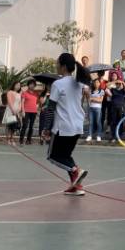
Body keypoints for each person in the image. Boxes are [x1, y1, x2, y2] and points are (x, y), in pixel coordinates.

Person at [46, 52, 89, 194]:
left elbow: (50, 108)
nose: (56, 65)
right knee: (66, 156)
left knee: (53, 156)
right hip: (77, 126)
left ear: (63, 66)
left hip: (63, 127)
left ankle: (76, 170)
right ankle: (76, 187)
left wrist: (46, 128)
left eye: (57, 63)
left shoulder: (58, 84)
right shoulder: (79, 83)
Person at [4, 80, 22, 145]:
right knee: (10, 125)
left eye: (19, 85)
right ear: (14, 85)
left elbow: (20, 103)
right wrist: (13, 110)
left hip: (16, 112)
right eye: (17, 85)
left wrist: (18, 110)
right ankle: (8, 139)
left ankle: (12, 138)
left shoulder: (19, 94)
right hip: (10, 111)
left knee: (15, 126)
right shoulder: (10, 92)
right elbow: (9, 102)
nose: (18, 86)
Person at [87, 75, 104, 142]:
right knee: (91, 122)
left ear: (99, 83)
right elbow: (89, 99)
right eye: (95, 82)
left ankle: (99, 135)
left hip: (98, 108)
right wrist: (96, 98)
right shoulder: (91, 91)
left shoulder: (101, 91)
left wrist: (93, 98)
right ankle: (90, 135)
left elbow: (100, 100)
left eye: (97, 82)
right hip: (91, 108)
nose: (96, 84)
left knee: (98, 122)